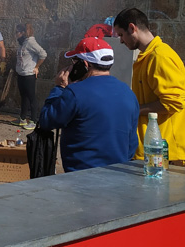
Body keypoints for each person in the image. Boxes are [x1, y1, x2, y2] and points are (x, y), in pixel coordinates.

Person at [38, 37, 139, 172]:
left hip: (81, 175)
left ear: (85, 64)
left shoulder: (74, 93)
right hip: (117, 174)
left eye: (75, 61)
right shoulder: (128, 93)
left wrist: (59, 88)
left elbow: (46, 120)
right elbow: (132, 144)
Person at [113, 8, 185, 163]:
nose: (120, 41)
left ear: (132, 28)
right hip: (153, 150)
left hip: (164, 153)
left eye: (121, 35)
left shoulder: (160, 57)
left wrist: (135, 110)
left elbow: (174, 102)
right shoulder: (147, 57)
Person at [14, 23, 47, 130]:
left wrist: (36, 67)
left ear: (22, 33)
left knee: (31, 97)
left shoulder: (31, 42)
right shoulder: (23, 43)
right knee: (24, 97)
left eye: (17, 32)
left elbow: (43, 54)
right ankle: (22, 118)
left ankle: (33, 120)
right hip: (21, 74)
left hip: (29, 75)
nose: (15, 34)